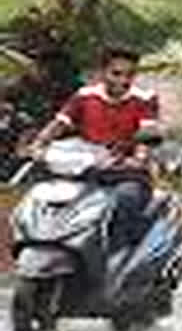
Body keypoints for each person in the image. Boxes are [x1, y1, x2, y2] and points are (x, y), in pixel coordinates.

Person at [27, 45, 160, 247]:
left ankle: (120, 256)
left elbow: (147, 135)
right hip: (85, 169)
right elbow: (59, 123)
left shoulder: (145, 99)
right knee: (45, 195)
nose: (123, 81)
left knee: (126, 199)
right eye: (116, 73)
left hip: (125, 172)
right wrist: (38, 144)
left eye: (130, 75)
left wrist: (138, 158)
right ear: (102, 72)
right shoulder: (84, 96)